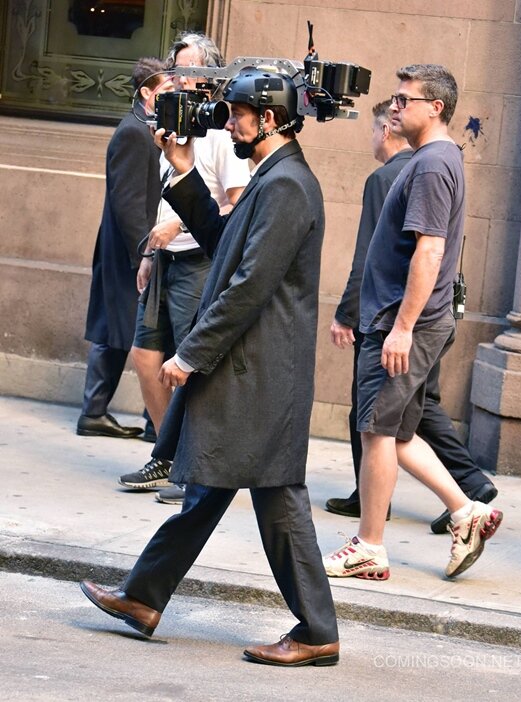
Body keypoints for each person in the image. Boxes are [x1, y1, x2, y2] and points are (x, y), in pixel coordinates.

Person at [80, 67, 340, 666]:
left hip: (261, 373)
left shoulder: (287, 185)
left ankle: (317, 630)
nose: (228, 125)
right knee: (207, 486)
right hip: (252, 370)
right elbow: (226, 246)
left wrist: (191, 353)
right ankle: (143, 597)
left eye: (238, 116)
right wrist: (183, 170)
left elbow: (250, 285)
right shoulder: (273, 176)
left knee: (276, 497)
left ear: (268, 119)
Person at [323, 64, 503, 581]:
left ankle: (369, 546)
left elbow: (429, 251)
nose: (395, 107)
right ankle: (466, 511)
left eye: (405, 100)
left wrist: (402, 328)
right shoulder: (432, 158)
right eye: (396, 99)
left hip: (403, 323)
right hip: (405, 320)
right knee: (398, 433)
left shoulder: (430, 165)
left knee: (375, 431)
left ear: (435, 108)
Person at [117, 33, 250, 499]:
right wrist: (150, 255)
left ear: (211, 79)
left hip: (199, 260)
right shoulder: (173, 130)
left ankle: (193, 468)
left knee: (189, 365)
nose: (179, 79)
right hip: (165, 262)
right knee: (145, 354)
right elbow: (164, 200)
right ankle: (168, 456)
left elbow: (237, 205)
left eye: (190, 71)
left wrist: (181, 225)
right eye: (176, 71)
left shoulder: (220, 134)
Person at [77, 58, 171, 439]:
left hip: (134, 250)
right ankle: (97, 413)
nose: (173, 96)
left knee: (125, 330)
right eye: (166, 90)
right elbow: (129, 202)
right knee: (117, 330)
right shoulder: (133, 132)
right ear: (147, 92)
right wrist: (144, 253)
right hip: (128, 252)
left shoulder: (148, 128)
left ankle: (144, 418)